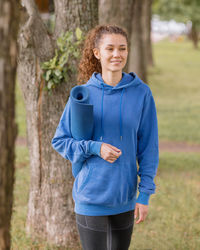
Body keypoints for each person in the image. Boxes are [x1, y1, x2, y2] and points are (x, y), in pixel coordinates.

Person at [51, 24, 159, 250]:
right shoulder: (82, 94)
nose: (117, 54)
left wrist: (144, 194)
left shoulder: (142, 93)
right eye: (110, 49)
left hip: (125, 198)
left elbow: (149, 147)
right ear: (97, 53)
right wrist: (95, 148)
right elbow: (60, 141)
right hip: (91, 197)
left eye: (122, 48)